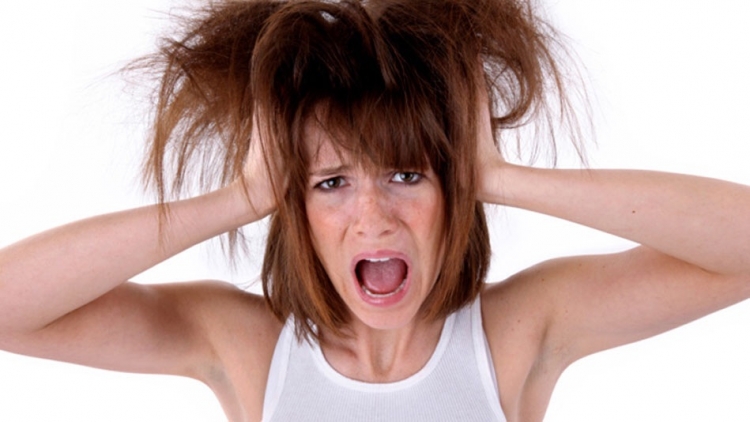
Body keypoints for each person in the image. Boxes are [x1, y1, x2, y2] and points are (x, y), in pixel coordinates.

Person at [0, 1, 749, 421]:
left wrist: (496, 174)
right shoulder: (251, 349)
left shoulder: (516, 334)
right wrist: (240, 198)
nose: (374, 217)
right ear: (295, 208)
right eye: (331, 182)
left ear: (452, 195)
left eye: (406, 174)